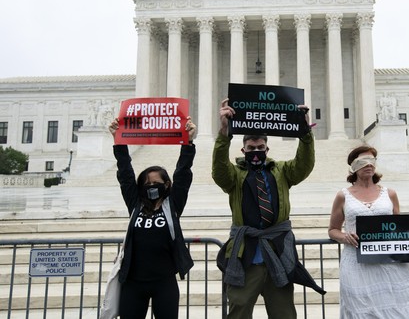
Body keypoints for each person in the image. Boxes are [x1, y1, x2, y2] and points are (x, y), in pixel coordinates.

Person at [213, 98, 325, 319]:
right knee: (239, 308)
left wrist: (304, 134)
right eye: (251, 148)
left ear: (267, 148)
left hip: (277, 252)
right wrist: (223, 134)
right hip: (246, 255)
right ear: (243, 149)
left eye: (260, 147)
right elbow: (219, 172)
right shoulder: (235, 175)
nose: (256, 151)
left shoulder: (282, 171)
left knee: (283, 312)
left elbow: (304, 165)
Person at [328, 145, 409, 318]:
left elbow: (398, 226)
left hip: (389, 262)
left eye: (372, 161)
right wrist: (345, 237)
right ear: (353, 166)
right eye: (363, 161)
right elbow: (332, 230)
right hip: (357, 263)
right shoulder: (343, 196)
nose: (368, 165)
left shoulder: (390, 194)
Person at [108, 117, 197, 319]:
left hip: (164, 282)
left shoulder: (172, 205)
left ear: (166, 185)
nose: (152, 186)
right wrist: (119, 141)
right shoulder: (135, 203)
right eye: (147, 183)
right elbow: (125, 174)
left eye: (157, 182)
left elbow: (183, 174)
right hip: (133, 282)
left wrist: (188, 142)